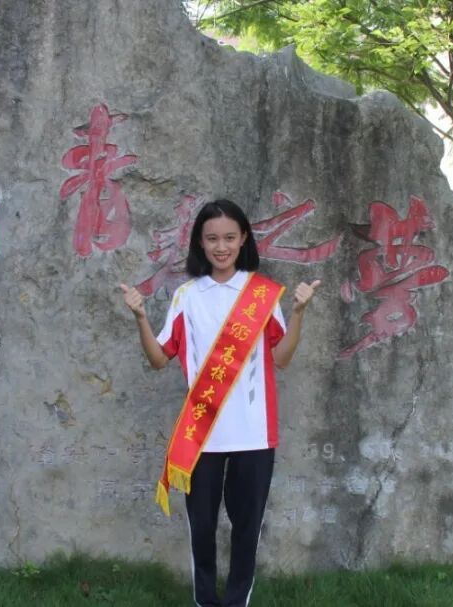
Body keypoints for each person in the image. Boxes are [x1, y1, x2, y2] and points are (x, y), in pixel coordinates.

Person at [119, 199, 319, 607]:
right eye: (212, 239)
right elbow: (158, 359)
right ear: (200, 242)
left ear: (243, 238)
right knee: (202, 529)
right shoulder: (187, 296)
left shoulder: (263, 295)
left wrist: (298, 312)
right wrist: (140, 317)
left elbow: (282, 358)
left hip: (254, 432)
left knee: (247, 530)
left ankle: (237, 602)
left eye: (229, 237)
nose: (221, 247)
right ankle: (205, 601)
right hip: (202, 434)